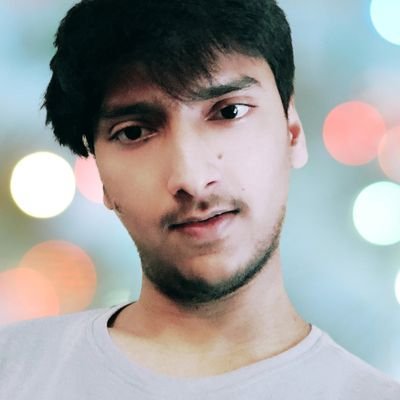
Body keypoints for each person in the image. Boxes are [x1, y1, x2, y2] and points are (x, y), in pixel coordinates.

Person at [0, 0, 399, 398]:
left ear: (292, 132)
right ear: (100, 175)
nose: (191, 179)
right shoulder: (14, 370)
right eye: (134, 132)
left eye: (229, 112)